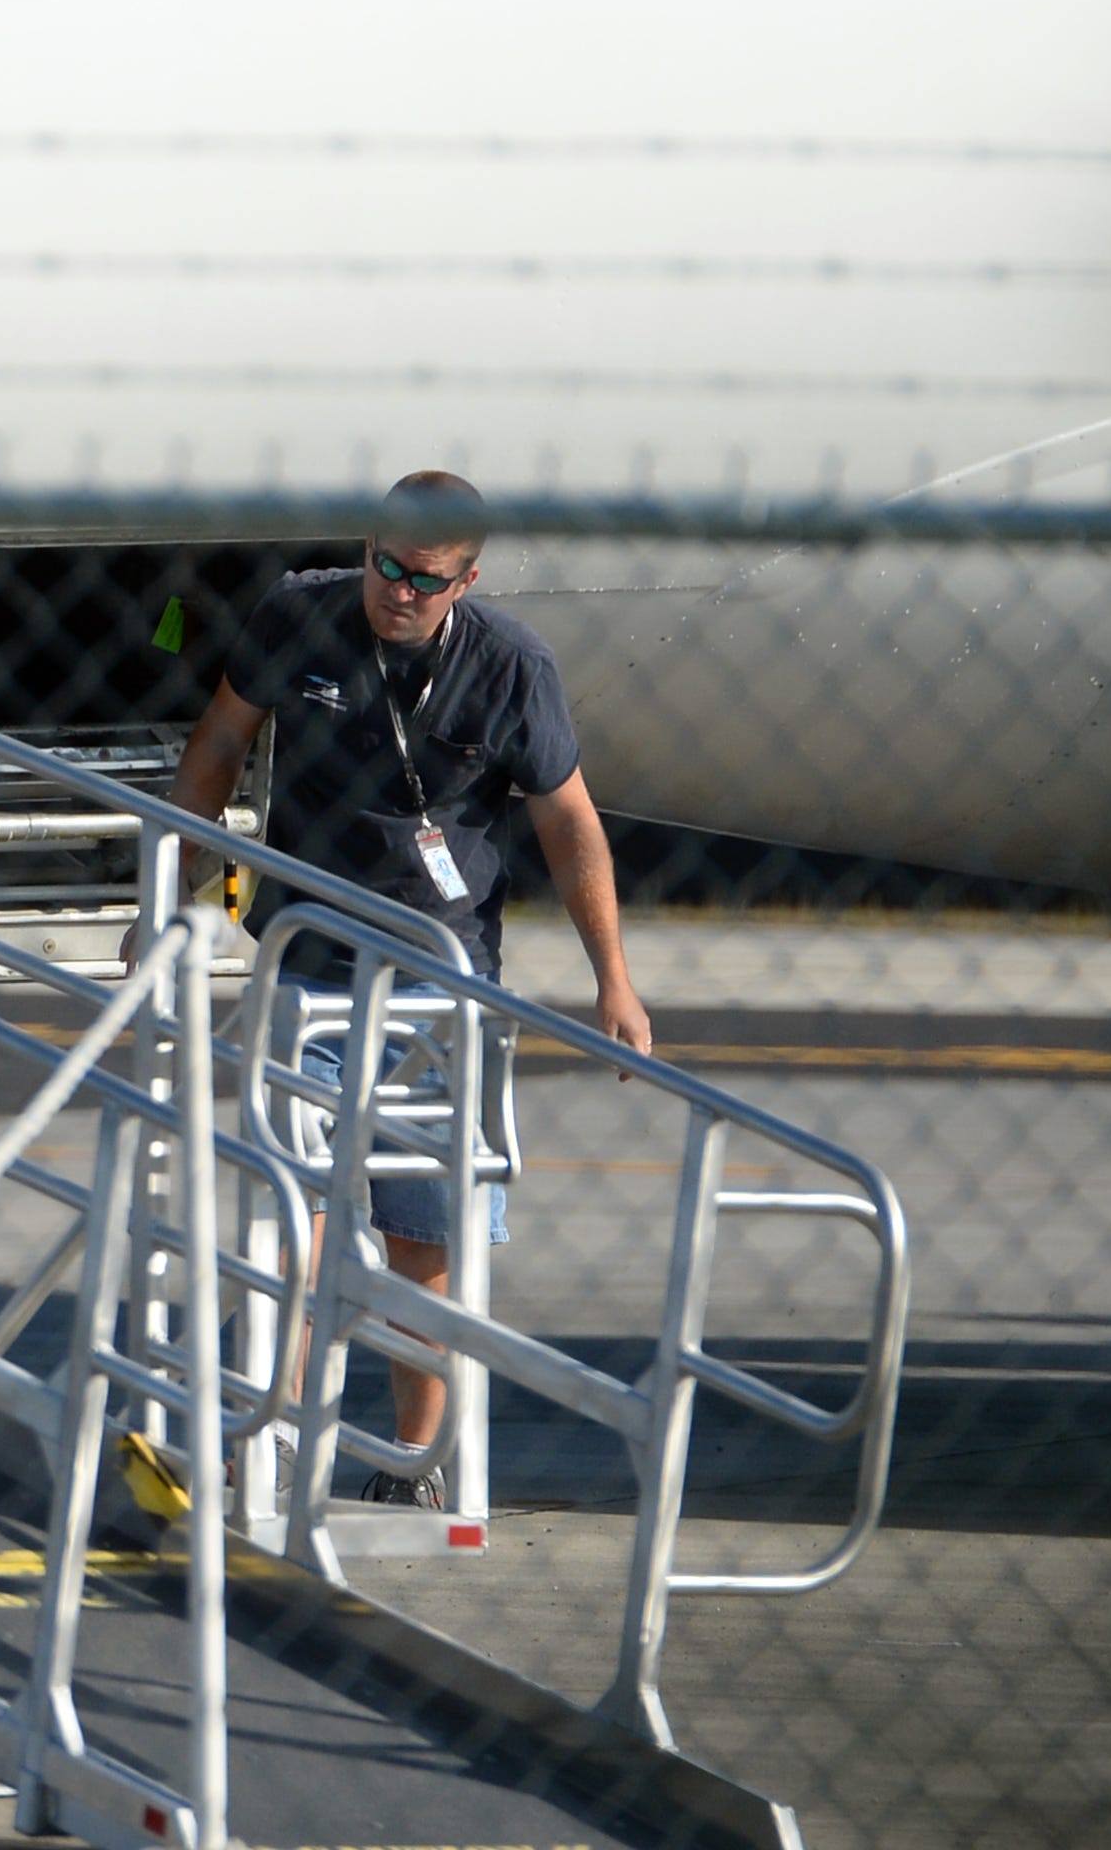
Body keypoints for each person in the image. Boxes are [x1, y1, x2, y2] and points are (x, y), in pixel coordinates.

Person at [157, 467, 653, 1502]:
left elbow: (568, 826)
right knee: (293, 1214)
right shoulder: (300, 616)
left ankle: (414, 1463)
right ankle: (272, 1438)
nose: (394, 590)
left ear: (464, 579)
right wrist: (167, 895)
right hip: (309, 960)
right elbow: (216, 744)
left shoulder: (511, 667)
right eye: (382, 564)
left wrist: (613, 981)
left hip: (438, 985)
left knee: (422, 1233)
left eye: (422, 579)